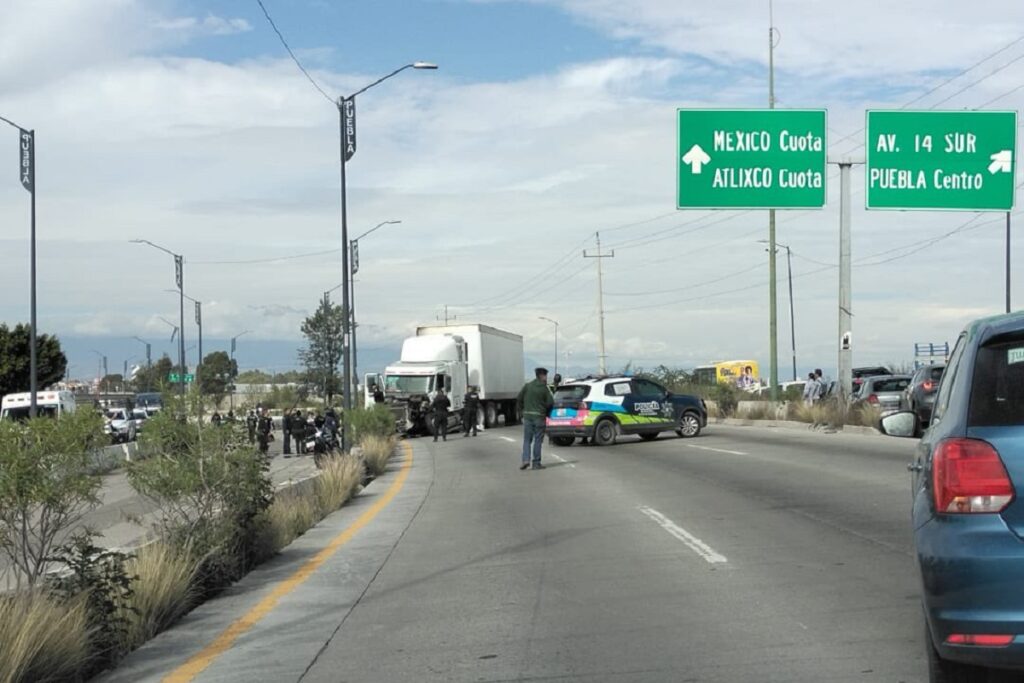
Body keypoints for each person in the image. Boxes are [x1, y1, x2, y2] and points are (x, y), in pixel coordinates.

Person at [517, 367, 554, 470]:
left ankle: (525, 460)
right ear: (542, 376)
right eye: (546, 376)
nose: (546, 378)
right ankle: (536, 463)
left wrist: (522, 411)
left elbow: (519, 398)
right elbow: (550, 402)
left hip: (527, 416)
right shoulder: (544, 388)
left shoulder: (527, 386)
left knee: (527, 440)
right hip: (539, 417)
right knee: (538, 440)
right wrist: (546, 412)